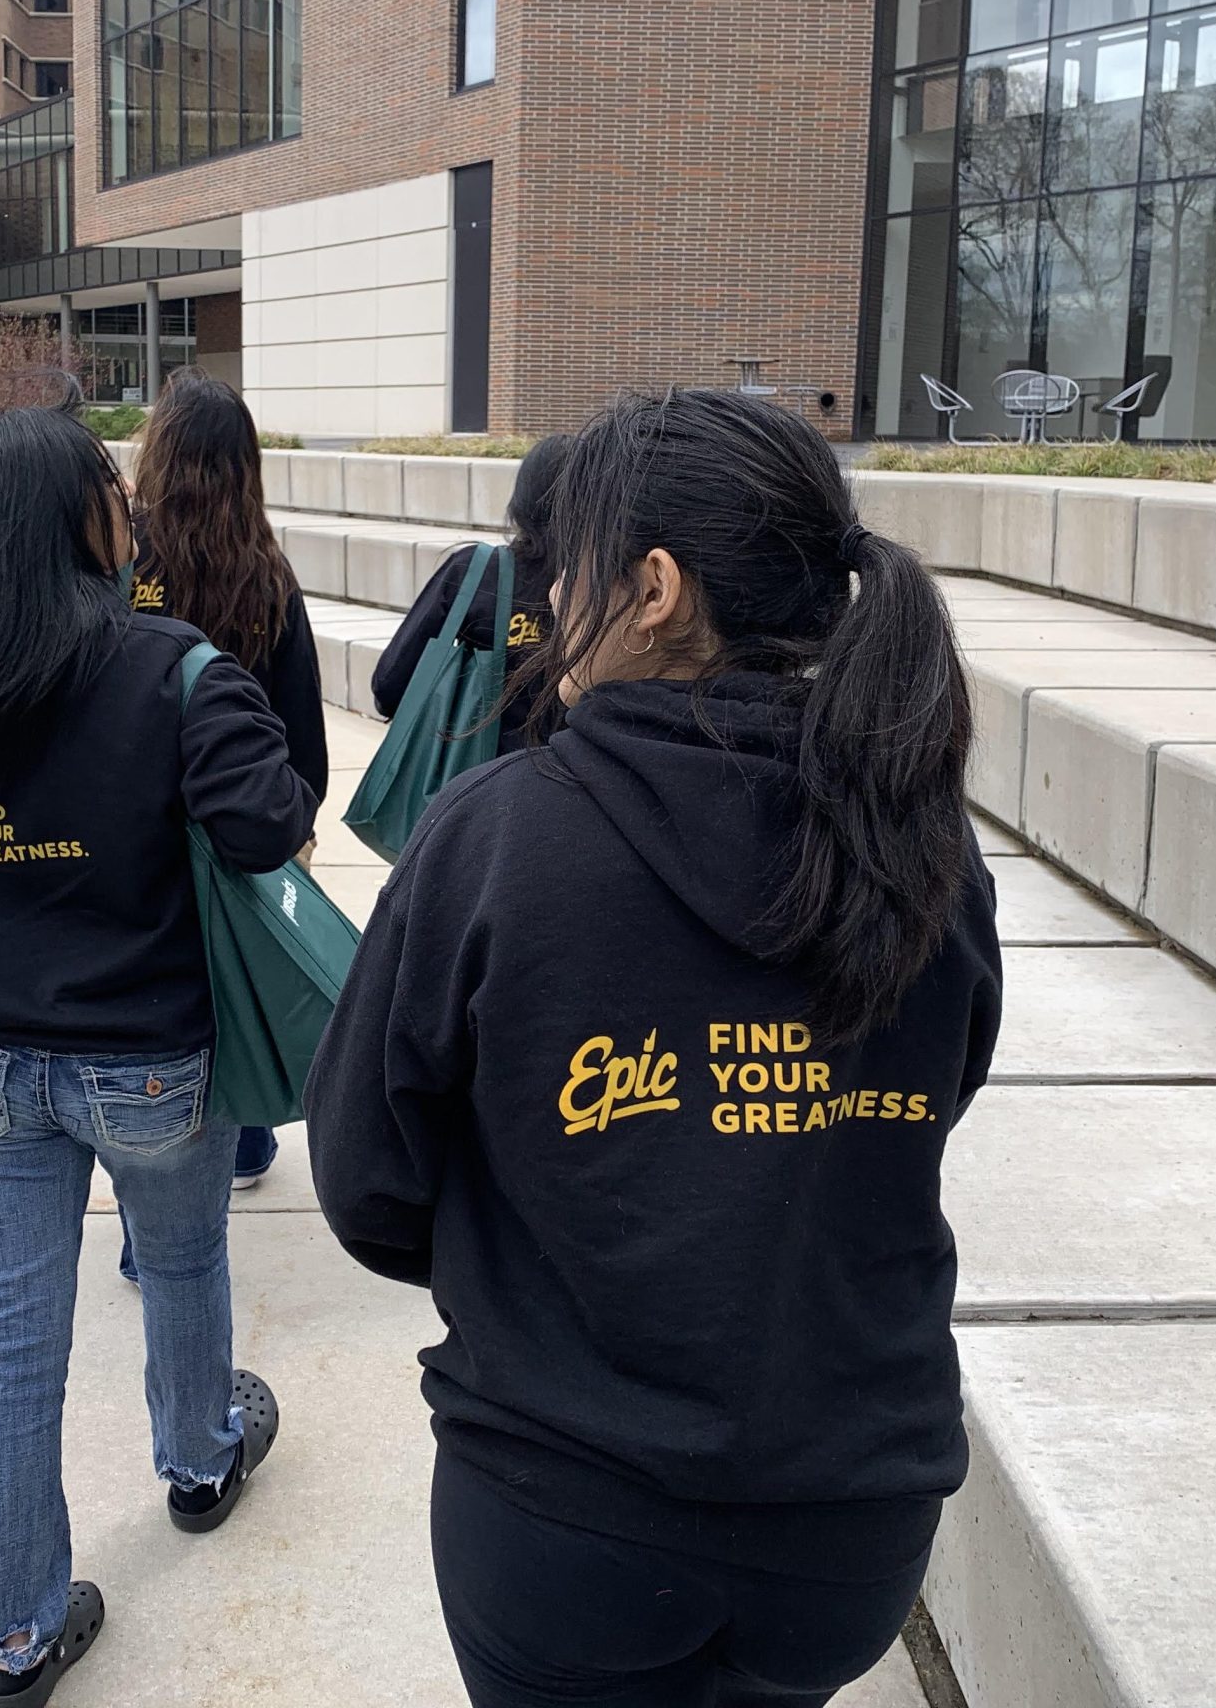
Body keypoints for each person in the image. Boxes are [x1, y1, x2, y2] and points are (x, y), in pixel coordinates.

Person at [306, 389, 1003, 1708]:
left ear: (657, 585)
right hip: (849, 1528)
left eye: (571, 559)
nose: (552, 590)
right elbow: (935, 1093)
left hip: (568, 1520)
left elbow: (364, 1179)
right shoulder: (928, 850)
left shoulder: (499, 837)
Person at [0, 407, 312, 1706]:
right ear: (84, 519)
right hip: (149, 1061)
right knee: (188, 1252)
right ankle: (201, 1455)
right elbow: (267, 829)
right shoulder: (173, 669)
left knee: (14, 1339)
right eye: (109, 489)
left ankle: (17, 1635)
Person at [127, 369, 325, 1197]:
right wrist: (296, 825)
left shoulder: (123, 562)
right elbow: (301, 730)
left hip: (132, 818)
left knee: (154, 995)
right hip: (240, 822)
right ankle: (242, 1143)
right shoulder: (267, 578)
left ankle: (156, 1190)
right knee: (237, 977)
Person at [371, 432, 574, 755]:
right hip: (573, 785)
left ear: (521, 499)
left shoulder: (475, 573)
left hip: (473, 782)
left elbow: (390, 685)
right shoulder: (615, 592)